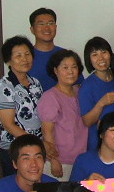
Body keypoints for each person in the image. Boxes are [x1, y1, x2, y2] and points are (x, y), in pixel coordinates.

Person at [0, 36, 44, 176]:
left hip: (36, 149)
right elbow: (9, 125)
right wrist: (34, 143)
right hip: (14, 149)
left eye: (27, 54)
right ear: (9, 60)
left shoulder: (35, 83)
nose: (24, 59)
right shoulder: (4, 86)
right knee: (17, 186)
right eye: (18, 56)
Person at [38, 49, 88, 181]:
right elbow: (47, 131)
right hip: (62, 162)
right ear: (56, 70)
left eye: (74, 67)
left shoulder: (80, 91)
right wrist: (54, 160)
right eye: (65, 67)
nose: (70, 71)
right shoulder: (50, 97)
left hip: (81, 160)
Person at [28, 8, 83, 91]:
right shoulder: (26, 57)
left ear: (56, 27)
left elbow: (79, 85)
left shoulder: (66, 56)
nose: (46, 28)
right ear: (32, 29)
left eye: (50, 23)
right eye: (41, 24)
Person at [79, 37, 114, 151]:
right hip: (100, 143)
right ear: (89, 59)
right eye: (95, 55)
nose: (101, 58)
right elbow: (87, 121)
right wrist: (101, 103)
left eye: (104, 52)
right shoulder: (87, 86)